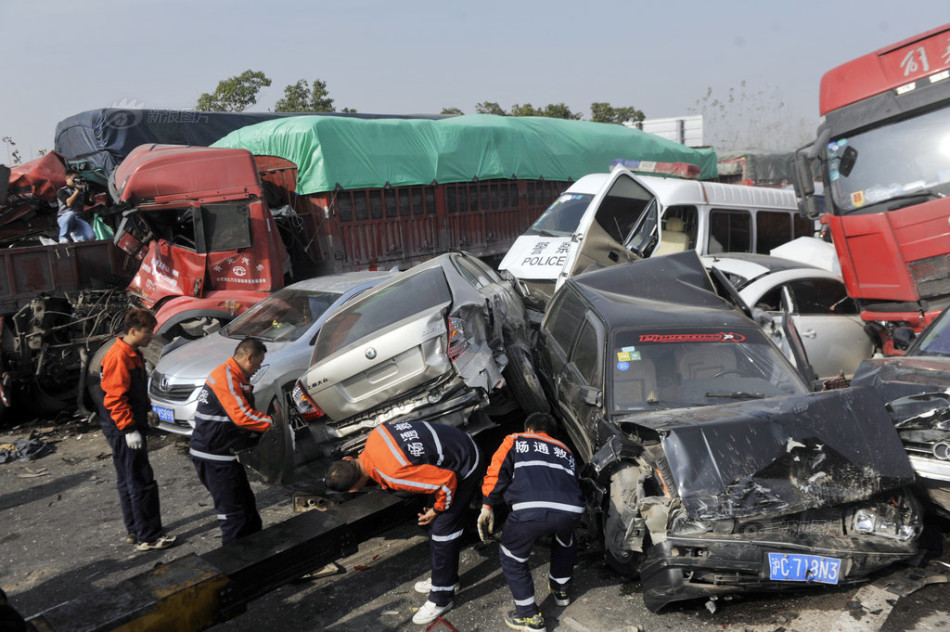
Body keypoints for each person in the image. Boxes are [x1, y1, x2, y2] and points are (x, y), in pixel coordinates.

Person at [325, 420, 483, 625]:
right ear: (348, 458)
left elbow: (447, 482)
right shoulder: (374, 436)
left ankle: (442, 598)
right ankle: (446, 580)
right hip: (454, 445)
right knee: (433, 525)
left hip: (465, 463)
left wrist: (437, 509)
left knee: (443, 532)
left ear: (354, 490)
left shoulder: (392, 474)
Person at [479, 412, 586, 632]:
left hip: (529, 508)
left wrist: (487, 505)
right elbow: (574, 481)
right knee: (565, 539)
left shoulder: (515, 440)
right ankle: (561, 590)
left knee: (512, 556)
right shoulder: (565, 450)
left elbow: (497, 472)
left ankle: (529, 616)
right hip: (571, 509)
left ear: (529, 429)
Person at [98, 308, 176, 551]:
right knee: (141, 480)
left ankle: (135, 530)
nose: (151, 336)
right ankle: (149, 537)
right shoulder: (119, 357)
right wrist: (129, 428)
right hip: (122, 427)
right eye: (148, 332)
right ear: (133, 331)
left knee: (128, 479)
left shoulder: (131, 353)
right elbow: (115, 399)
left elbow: (135, 389)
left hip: (122, 424)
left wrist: (148, 408)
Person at [190, 337, 273, 544]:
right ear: (249, 357)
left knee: (247, 510)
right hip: (214, 458)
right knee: (234, 515)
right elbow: (242, 416)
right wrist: (273, 424)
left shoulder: (237, 378)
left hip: (224, 455)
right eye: (258, 363)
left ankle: (257, 553)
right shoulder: (226, 377)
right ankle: (236, 560)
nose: (258, 368)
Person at [56, 171, 96, 243]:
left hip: (78, 218)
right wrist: (77, 191)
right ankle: (63, 237)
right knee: (71, 214)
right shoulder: (62, 190)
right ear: (67, 179)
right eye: (74, 178)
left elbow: (90, 203)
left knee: (91, 236)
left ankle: (77, 238)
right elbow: (69, 203)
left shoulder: (82, 191)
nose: (77, 180)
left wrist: (92, 192)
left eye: (78, 178)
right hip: (64, 218)